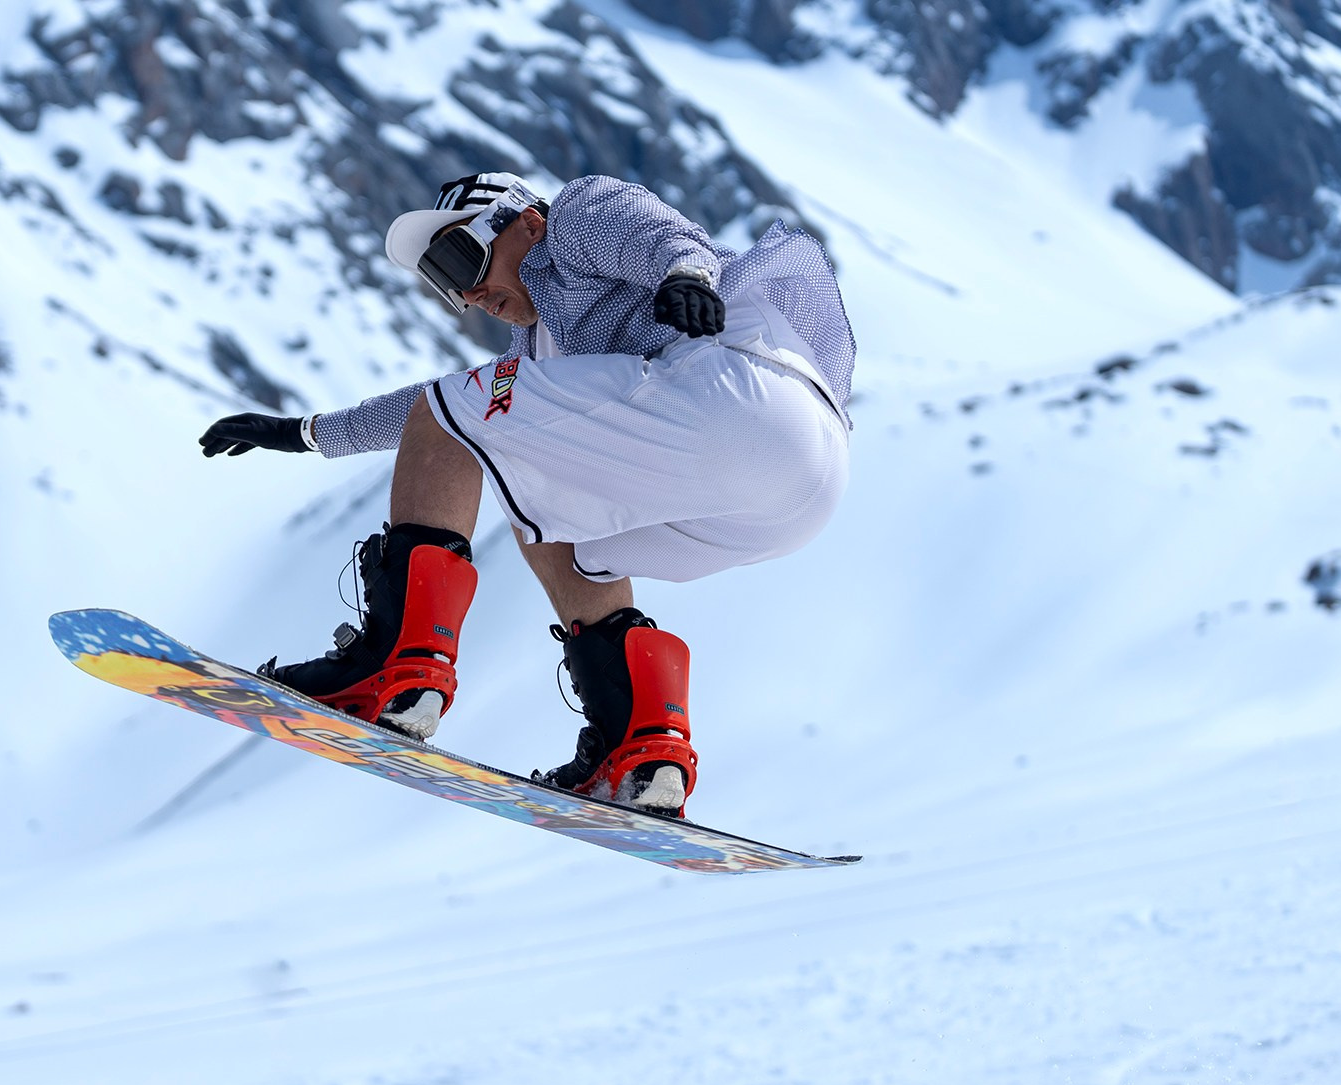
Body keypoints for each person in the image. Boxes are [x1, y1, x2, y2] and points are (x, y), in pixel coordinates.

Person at [198, 173, 855, 818]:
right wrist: (308, 433)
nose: (469, 291)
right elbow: (443, 419)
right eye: (444, 281)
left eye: (460, 256)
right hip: (798, 486)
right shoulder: (543, 355)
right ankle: (644, 748)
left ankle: (401, 668)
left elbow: (648, 231)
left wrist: (685, 274)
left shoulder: (570, 221)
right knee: (545, 516)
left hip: (737, 393)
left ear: (525, 223)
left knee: (455, 411)